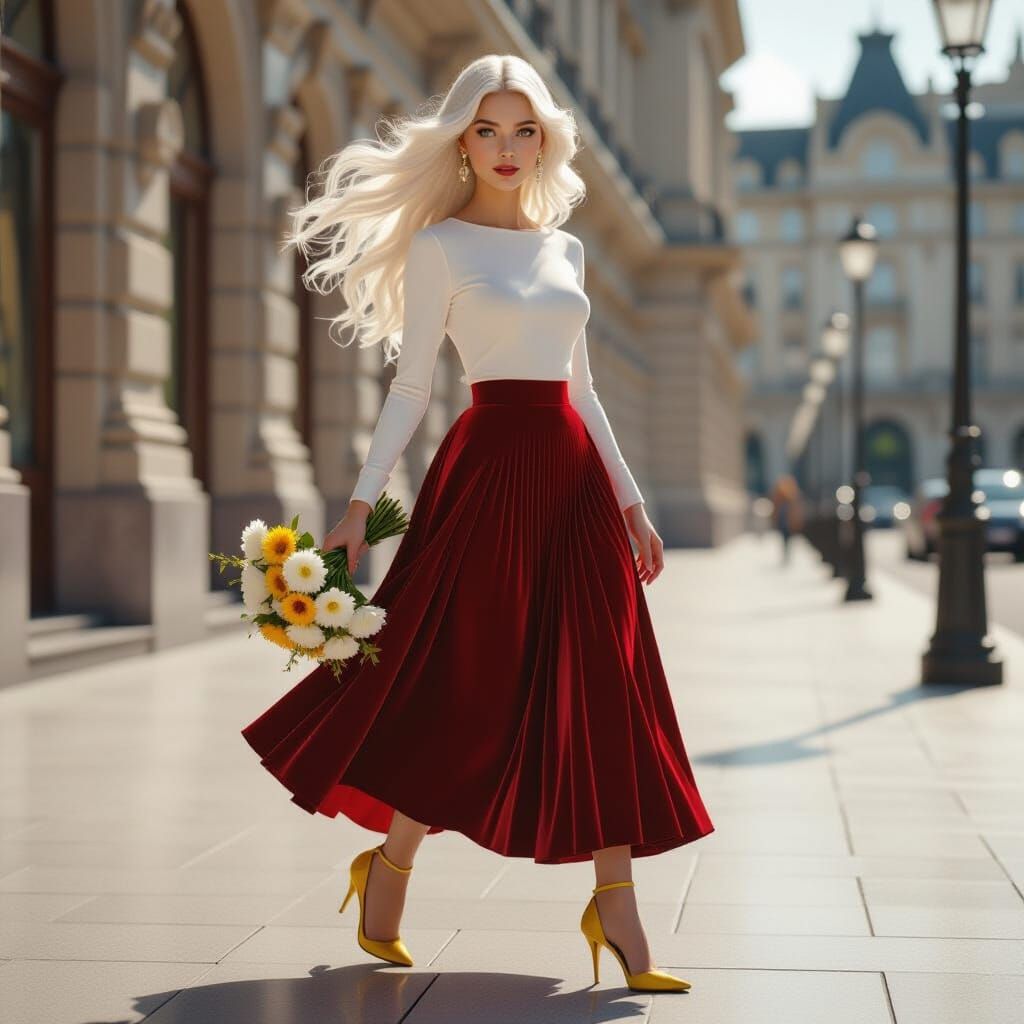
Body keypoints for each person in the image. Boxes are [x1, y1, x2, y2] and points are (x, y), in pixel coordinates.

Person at [240, 53, 713, 994]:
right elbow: (413, 386)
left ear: (546, 140)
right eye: (487, 130)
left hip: (572, 477)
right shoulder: (440, 246)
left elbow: (583, 388)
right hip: (487, 471)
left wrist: (631, 500)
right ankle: (391, 865)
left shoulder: (566, 248)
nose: (505, 148)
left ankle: (614, 901)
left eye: (523, 130)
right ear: (462, 138)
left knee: (603, 680)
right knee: (458, 675)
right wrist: (360, 505)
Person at [770, 474, 805, 563]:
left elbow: (795, 512)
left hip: (787, 524)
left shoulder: (789, 500)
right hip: (784, 524)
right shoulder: (784, 500)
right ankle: (786, 555)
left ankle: (786, 555)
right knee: (786, 540)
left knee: (786, 540)